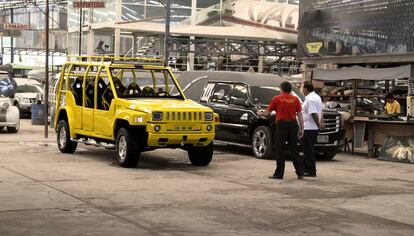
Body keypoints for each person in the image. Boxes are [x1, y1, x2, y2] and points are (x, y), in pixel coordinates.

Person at [257, 81, 305, 180]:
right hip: (293, 125)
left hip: (281, 125)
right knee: (294, 149)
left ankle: (279, 174)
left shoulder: (277, 98)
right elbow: (300, 114)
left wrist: (259, 113)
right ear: (290, 89)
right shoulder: (295, 99)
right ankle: (300, 172)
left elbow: (267, 113)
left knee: (280, 149)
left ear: (281, 89)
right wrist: (302, 127)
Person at [301, 81, 324, 177]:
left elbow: (314, 113)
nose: (301, 90)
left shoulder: (310, 99)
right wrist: (321, 121)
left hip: (309, 128)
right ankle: (306, 169)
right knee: (308, 149)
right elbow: (320, 111)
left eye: (302, 88)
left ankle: (311, 171)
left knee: (308, 150)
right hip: (312, 128)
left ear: (305, 88)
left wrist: (318, 124)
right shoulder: (317, 97)